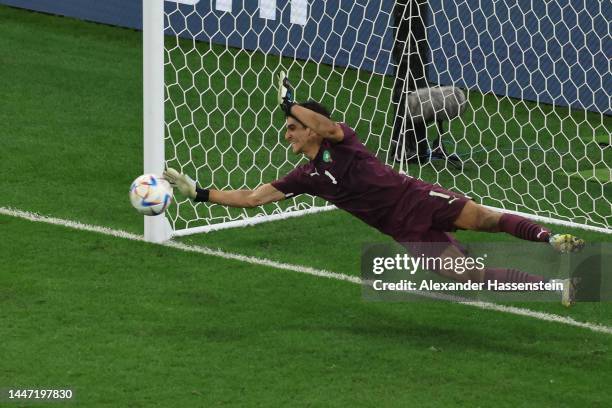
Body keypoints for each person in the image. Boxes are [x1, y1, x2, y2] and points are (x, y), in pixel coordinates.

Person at [164, 74, 584, 306]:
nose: (287, 133)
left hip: (417, 197)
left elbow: (325, 124)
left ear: (311, 127)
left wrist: (289, 103)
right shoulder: (305, 176)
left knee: (486, 219)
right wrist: (200, 193)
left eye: (292, 127)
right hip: (405, 230)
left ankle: (552, 239)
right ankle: (555, 287)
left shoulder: (342, 139)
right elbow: (254, 198)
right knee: (470, 277)